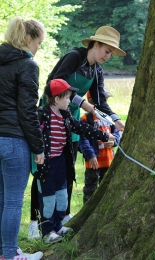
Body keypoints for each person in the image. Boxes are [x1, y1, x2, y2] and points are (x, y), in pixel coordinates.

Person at [28, 25, 126, 237]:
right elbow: (53, 83)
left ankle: (63, 215)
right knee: (44, 171)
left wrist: (115, 120)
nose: (108, 56)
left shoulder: (96, 70)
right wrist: (82, 102)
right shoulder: (74, 56)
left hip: (70, 121)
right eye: (106, 50)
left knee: (66, 167)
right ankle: (35, 222)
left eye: (111, 53)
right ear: (95, 44)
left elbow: (99, 102)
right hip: (51, 116)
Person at [34, 78, 115, 244]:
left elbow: (81, 127)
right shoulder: (42, 115)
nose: (70, 101)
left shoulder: (66, 115)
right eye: (67, 97)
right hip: (47, 166)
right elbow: (33, 135)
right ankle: (47, 231)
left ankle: (58, 226)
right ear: (57, 99)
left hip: (61, 164)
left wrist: (104, 135)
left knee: (62, 196)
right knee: (48, 199)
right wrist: (38, 152)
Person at [0, 17, 45, 260]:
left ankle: (3, 251)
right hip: (14, 139)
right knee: (13, 202)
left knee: (1, 199)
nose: (39, 48)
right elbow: (27, 111)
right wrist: (39, 147)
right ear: (28, 39)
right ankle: (9, 255)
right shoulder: (28, 65)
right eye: (38, 42)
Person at [79, 90, 120, 203]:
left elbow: (116, 134)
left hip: (108, 161)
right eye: (102, 100)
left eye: (105, 101)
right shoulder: (85, 119)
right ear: (91, 101)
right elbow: (83, 140)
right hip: (94, 162)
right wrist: (90, 155)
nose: (105, 103)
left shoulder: (110, 117)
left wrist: (114, 141)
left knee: (107, 189)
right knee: (90, 190)